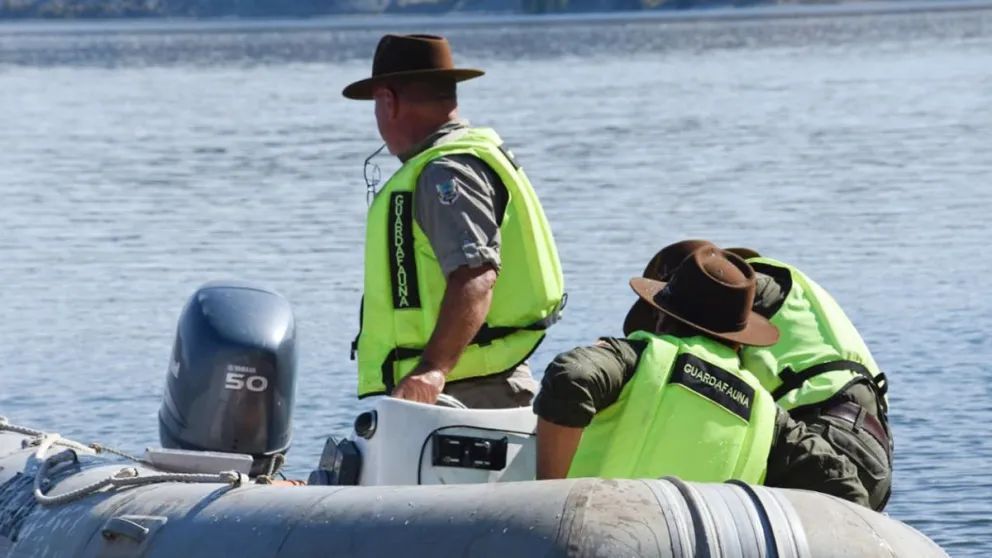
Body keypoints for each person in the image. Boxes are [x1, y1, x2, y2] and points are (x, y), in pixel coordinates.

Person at [535, 246, 870, 507]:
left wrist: (549, 501)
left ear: (662, 317)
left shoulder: (636, 359)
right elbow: (845, 486)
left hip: (583, 542)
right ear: (739, 342)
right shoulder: (767, 414)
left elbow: (572, 376)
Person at [343, 34, 565, 408]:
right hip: (468, 386)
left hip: (467, 393)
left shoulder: (444, 172)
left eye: (376, 106)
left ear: (388, 101)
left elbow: (475, 276)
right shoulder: (456, 160)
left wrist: (433, 369)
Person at [623, 240, 892, 510]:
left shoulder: (738, 292)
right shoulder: (787, 292)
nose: (663, 321)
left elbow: (675, 369)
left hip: (825, 440)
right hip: (868, 451)